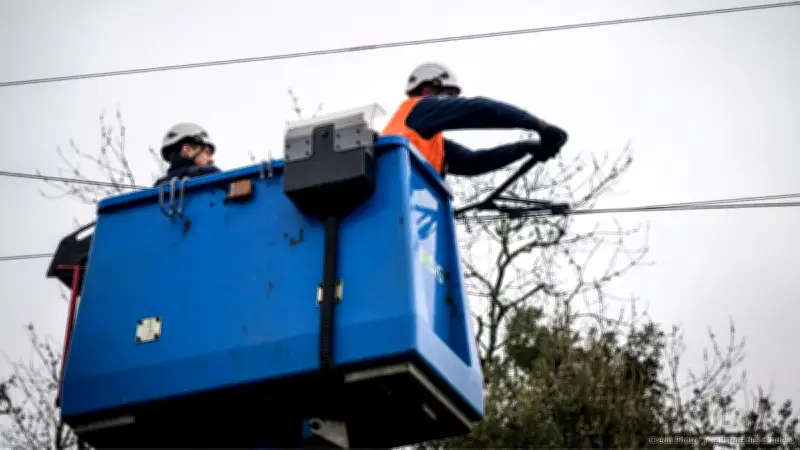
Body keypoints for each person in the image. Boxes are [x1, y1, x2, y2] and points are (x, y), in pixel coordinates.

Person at [382, 62, 569, 177]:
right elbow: (478, 109)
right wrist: (539, 126)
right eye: (449, 96)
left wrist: (525, 147)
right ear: (428, 90)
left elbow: (471, 163)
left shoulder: (430, 143)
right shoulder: (420, 107)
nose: (453, 103)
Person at [154, 123, 221, 186]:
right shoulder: (210, 173)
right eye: (207, 153)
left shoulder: (157, 186)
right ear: (187, 150)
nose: (211, 160)